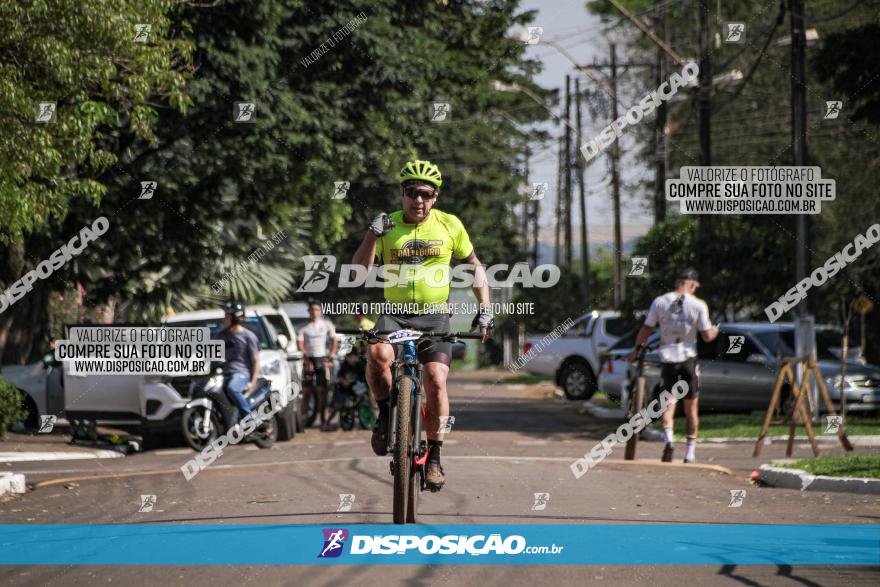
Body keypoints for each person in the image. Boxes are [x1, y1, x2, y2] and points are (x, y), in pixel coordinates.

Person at [351, 159, 493, 490]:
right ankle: (386, 415)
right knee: (378, 355)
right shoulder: (387, 226)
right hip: (395, 311)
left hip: (435, 314)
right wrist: (372, 235)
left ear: (436, 197)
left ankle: (435, 457)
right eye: (413, 193)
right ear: (402, 194)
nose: (419, 200)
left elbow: (475, 268)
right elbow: (358, 272)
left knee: (436, 380)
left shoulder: (450, 225)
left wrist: (485, 308)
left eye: (426, 194)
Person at [627, 268, 718, 463]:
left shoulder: (660, 302)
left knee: (668, 403)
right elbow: (707, 336)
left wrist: (636, 350)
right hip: (688, 359)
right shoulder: (698, 305)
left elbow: (646, 328)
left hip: (667, 358)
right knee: (691, 408)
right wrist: (715, 330)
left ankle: (669, 439)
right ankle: (690, 453)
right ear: (692, 284)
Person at [215, 301, 261, 427]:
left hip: (241, 373)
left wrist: (252, 382)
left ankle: (250, 418)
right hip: (223, 374)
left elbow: (256, 361)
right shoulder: (220, 335)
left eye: (227, 316)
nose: (224, 318)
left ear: (235, 318)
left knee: (232, 388)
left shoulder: (248, 336)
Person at [297, 301, 338, 431]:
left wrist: (331, 355)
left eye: (316, 309)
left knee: (322, 391)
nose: (314, 312)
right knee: (307, 391)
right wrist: (306, 357)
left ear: (320, 311)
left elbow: (334, 340)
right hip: (309, 360)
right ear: (309, 312)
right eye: (312, 310)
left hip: (322, 359)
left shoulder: (327, 325)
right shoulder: (304, 328)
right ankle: (302, 422)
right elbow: (300, 344)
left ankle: (323, 421)